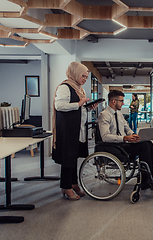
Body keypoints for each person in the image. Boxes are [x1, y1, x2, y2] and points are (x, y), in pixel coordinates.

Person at [98, 90, 153, 190]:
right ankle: (146, 179)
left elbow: (127, 128)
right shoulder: (104, 115)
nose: (123, 103)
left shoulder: (119, 114)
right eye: (121, 101)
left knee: (148, 142)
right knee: (144, 147)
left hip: (122, 144)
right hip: (114, 146)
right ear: (114, 101)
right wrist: (125, 138)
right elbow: (105, 137)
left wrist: (133, 135)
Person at [52, 61, 98, 201]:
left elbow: (78, 109)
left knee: (73, 157)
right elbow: (59, 105)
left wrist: (89, 107)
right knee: (68, 159)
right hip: (68, 129)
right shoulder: (65, 87)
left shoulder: (78, 88)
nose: (84, 79)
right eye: (82, 76)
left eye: (85, 77)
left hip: (77, 128)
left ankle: (73, 183)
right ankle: (66, 187)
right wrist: (79, 104)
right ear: (75, 73)